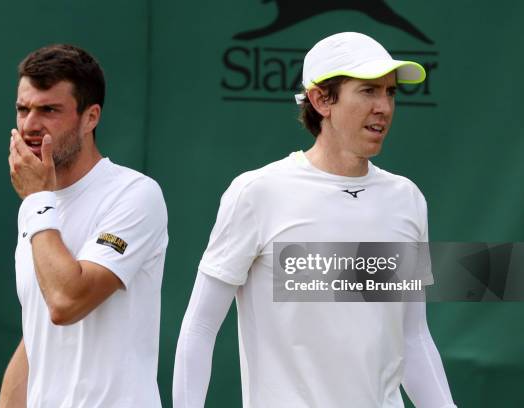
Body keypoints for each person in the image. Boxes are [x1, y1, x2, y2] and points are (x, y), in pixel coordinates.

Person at [173, 32, 456, 407]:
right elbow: (201, 327)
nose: (384, 107)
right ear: (322, 99)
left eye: (390, 92)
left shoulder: (407, 199)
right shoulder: (257, 192)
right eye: (369, 91)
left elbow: (413, 338)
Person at [0, 44, 168, 408]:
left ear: (90, 118)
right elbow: (38, 333)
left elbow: (66, 301)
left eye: (49, 110)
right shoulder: (38, 204)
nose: (29, 125)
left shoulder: (135, 194)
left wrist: (36, 202)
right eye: (23, 109)